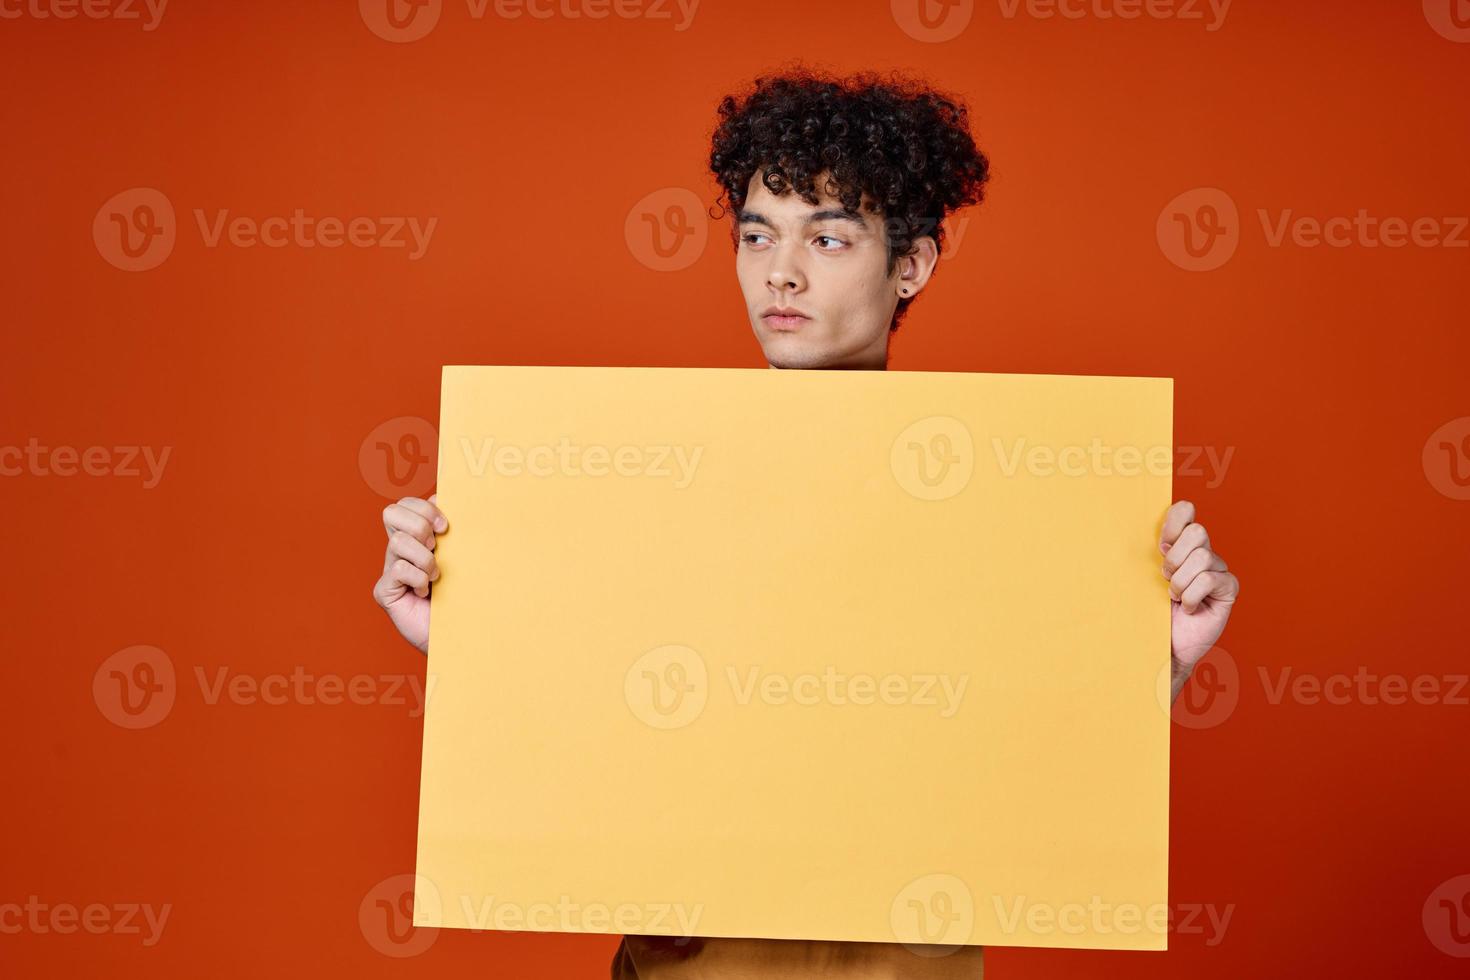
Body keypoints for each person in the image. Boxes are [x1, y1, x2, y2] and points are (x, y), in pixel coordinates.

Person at [372, 67, 1241, 979]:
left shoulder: (998, 502)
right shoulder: (647, 485)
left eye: (828, 238)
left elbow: (1026, 745)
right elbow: (604, 721)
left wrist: (1161, 661)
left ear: (912, 264)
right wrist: (466, 632)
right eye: (756, 235)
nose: (779, 272)